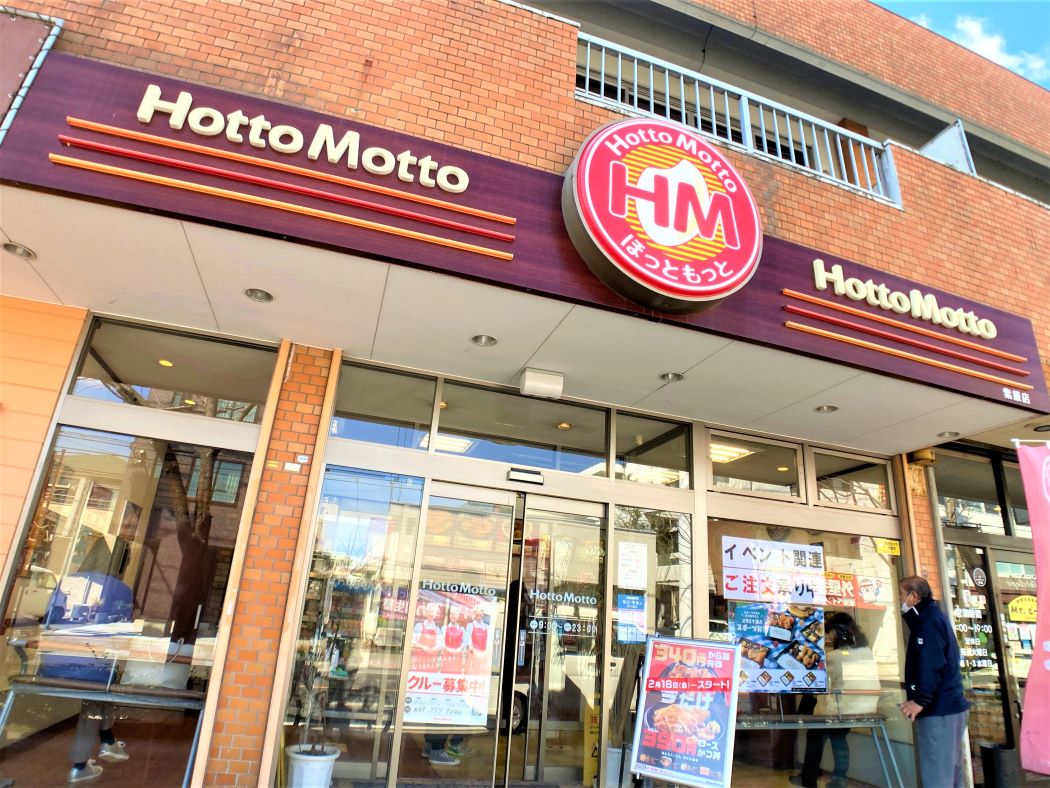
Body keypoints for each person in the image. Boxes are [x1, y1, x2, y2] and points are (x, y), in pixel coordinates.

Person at [791, 613, 879, 788]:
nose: (829, 636)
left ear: (837, 632)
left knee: (815, 735)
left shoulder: (834, 657)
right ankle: (840, 779)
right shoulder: (867, 651)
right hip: (862, 707)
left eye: (830, 631)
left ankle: (808, 778)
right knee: (839, 738)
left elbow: (821, 685)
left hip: (840, 708)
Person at [897, 575, 969, 788]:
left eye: (901, 594)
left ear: (913, 596)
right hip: (947, 708)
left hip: (940, 711)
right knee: (950, 774)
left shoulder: (928, 622)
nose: (900, 599)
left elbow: (931, 664)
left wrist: (919, 700)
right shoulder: (930, 618)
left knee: (938, 776)